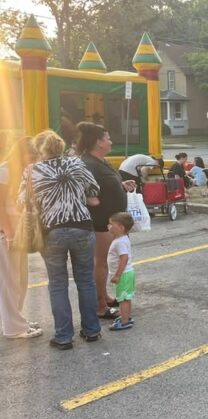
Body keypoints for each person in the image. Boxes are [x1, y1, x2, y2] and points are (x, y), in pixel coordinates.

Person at [24, 131, 101, 350]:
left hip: (52, 231)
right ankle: (92, 330)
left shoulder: (32, 171)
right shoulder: (76, 163)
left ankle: (64, 337)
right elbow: (94, 190)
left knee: (57, 283)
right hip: (82, 227)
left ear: (40, 149)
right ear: (61, 146)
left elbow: (25, 201)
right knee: (86, 280)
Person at [77, 122, 137, 320]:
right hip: (101, 222)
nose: (111, 141)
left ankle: (105, 296)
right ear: (98, 142)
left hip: (111, 222)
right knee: (101, 263)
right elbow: (85, 190)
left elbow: (103, 185)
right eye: (108, 138)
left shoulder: (100, 161)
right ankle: (100, 305)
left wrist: (121, 185)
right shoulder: (88, 164)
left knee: (106, 262)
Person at [0, 137, 43, 339]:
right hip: (7, 234)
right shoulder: (4, 171)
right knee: (11, 282)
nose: (34, 159)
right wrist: (9, 233)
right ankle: (14, 328)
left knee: (20, 280)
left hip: (19, 232)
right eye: (31, 155)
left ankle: (16, 320)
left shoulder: (23, 172)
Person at [107, 212, 135, 331]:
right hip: (127, 273)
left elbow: (124, 258)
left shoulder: (120, 242)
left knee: (122, 299)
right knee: (126, 297)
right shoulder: (122, 239)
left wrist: (117, 275)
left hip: (123, 275)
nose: (108, 226)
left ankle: (124, 322)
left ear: (121, 227)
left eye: (111, 224)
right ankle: (126, 317)